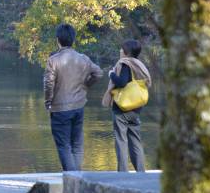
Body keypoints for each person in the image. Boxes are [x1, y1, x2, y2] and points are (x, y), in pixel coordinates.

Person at [44, 23, 102, 171]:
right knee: (76, 145)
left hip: (60, 108)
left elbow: (49, 83)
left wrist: (48, 101)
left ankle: (72, 179)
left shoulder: (53, 60)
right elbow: (98, 73)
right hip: (78, 106)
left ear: (58, 40)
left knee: (64, 145)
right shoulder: (83, 59)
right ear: (73, 39)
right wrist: (85, 85)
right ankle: (77, 178)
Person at [102, 39, 152, 172]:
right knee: (135, 141)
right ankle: (141, 172)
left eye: (121, 49)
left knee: (121, 141)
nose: (120, 51)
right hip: (136, 109)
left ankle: (123, 172)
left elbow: (122, 82)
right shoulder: (139, 65)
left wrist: (111, 74)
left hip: (122, 109)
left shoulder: (125, 64)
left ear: (126, 52)